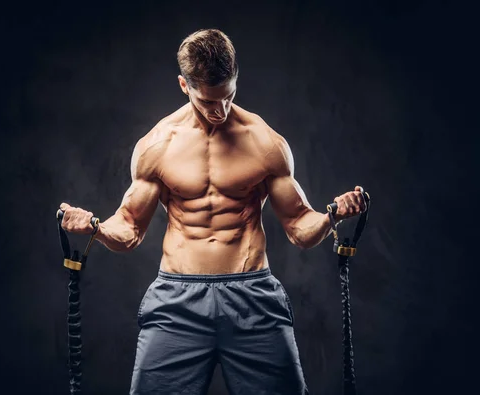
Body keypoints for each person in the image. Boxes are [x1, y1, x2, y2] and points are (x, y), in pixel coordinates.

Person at [59, 28, 366, 395]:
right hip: (177, 302)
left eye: (229, 96)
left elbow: (300, 226)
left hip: (253, 297)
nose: (220, 111)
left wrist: (333, 213)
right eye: (208, 102)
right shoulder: (157, 146)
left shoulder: (265, 143)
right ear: (184, 86)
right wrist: (95, 227)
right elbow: (129, 228)